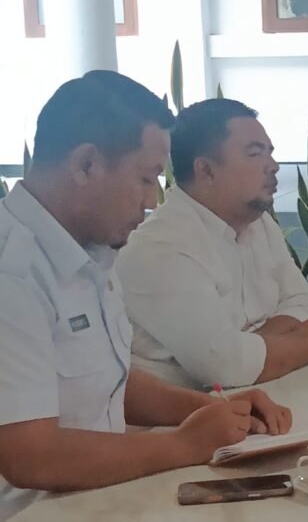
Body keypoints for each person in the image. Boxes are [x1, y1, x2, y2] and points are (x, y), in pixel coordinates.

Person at [0, 72, 292, 521]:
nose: (153, 198)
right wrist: (182, 444)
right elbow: (30, 456)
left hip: (103, 492)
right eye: (145, 177)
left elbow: (108, 380)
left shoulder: (90, 251)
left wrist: (217, 411)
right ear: (86, 165)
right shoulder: (13, 272)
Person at [116, 99, 308, 390]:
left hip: (263, 389)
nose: (273, 166)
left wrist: (251, 348)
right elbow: (225, 368)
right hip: (190, 410)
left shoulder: (259, 224)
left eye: (270, 153)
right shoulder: (159, 248)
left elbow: (303, 301)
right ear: (206, 170)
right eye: (255, 154)